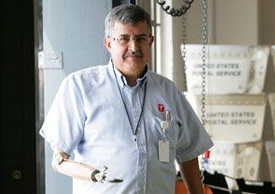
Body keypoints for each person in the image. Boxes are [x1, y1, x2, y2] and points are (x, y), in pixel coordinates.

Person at [40, 4, 213, 194]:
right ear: (108, 43)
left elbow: (188, 153)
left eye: (140, 39)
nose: (134, 47)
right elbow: (59, 159)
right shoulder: (79, 87)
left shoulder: (169, 92)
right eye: (124, 39)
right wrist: (93, 174)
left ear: (151, 42)